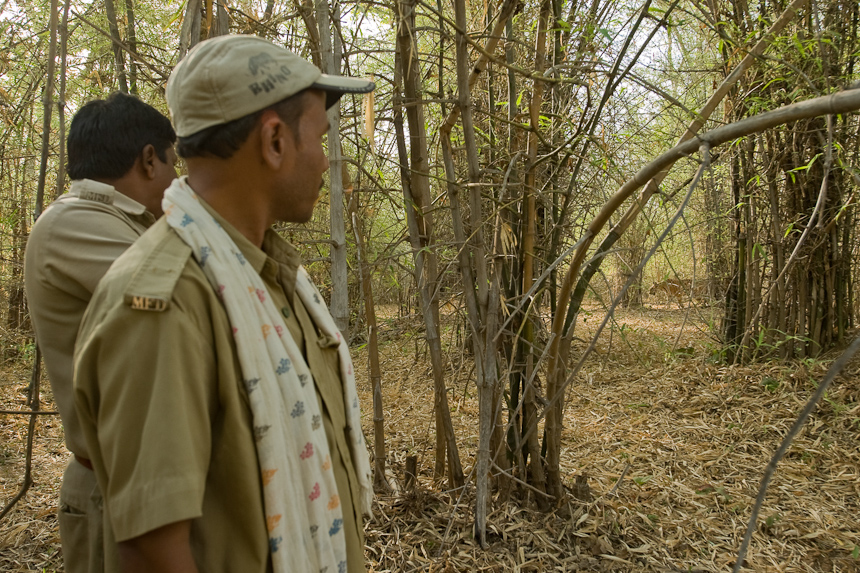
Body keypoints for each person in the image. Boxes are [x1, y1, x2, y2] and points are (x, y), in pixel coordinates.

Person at [73, 35, 375, 573]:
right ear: (275, 142)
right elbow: (151, 550)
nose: (326, 160)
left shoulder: (272, 279)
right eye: (320, 139)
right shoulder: (164, 305)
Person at [23, 92, 177, 573]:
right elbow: (191, 300)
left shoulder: (119, 222)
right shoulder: (74, 223)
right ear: (149, 160)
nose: (177, 179)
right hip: (113, 494)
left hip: (137, 488)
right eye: (175, 164)